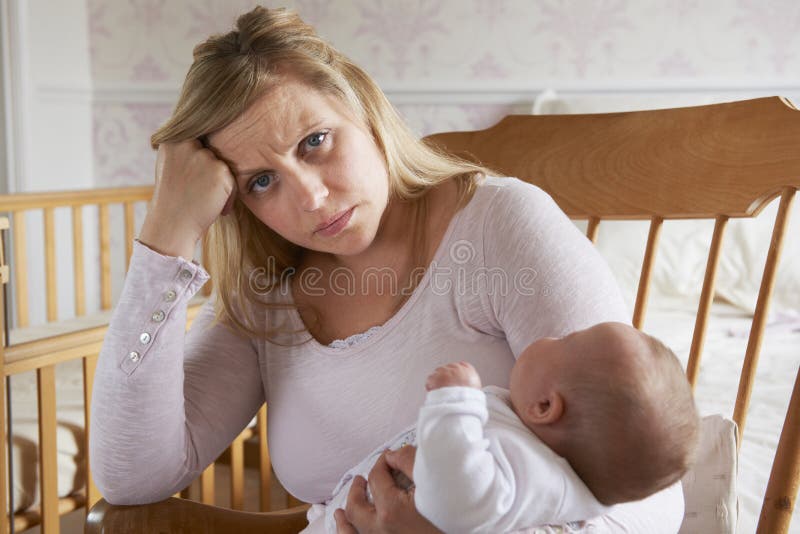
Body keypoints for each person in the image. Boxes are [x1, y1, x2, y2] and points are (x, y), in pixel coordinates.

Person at [89, 6, 687, 533]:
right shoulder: (264, 290)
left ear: (364, 106)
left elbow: (651, 504)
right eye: (261, 182)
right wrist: (165, 239)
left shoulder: (500, 226)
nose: (312, 199)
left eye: (315, 141)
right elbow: (132, 475)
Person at [318, 323, 699, 533]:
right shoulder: (539, 459)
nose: (550, 334)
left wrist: (455, 402)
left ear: (545, 406)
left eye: (566, 341)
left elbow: (452, 501)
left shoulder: (528, 469)